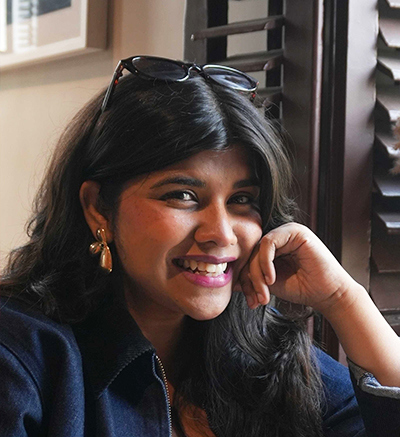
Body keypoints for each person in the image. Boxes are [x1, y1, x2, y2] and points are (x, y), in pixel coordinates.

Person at [0, 55, 399, 437]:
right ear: (99, 208)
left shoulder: (262, 352)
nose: (222, 234)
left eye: (242, 199)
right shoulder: (20, 355)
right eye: (182, 195)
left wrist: (343, 299)